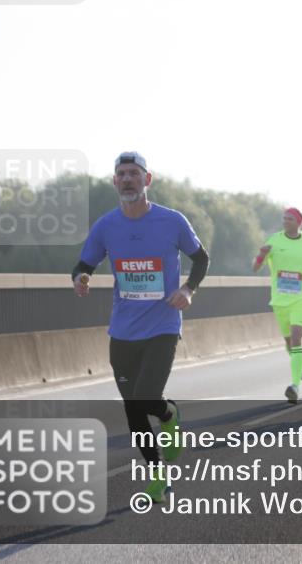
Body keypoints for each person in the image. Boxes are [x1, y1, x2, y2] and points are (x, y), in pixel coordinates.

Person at [72, 152, 209, 505]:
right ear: (115, 182)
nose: (128, 179)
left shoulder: (172, 221)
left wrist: (188, 289)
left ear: (148, 180)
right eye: (122, 174)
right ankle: (158, 477)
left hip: (162, 324)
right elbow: (84, 263)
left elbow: (201, 258)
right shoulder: (106, 225)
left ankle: (169, 414)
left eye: (135, 173)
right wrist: (81, 278)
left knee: (147, 397)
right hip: (122, 330)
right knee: (133, 409)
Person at [252, 207, 302, 404]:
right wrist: (261, 255)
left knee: (296, 338)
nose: (285, 221)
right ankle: (300, 365)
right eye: (284, 218)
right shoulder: (274, 240)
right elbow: (255, 267)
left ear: (298, 222)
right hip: (279, 300)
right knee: (289, 343)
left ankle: (294, 386)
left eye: (290, 218)